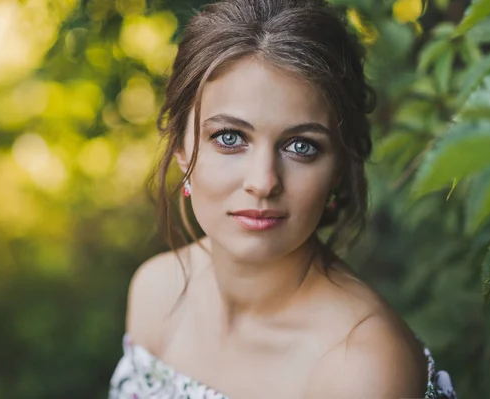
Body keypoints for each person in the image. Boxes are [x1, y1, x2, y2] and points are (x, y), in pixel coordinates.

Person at [109, 0, 458, 398]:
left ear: (339, 169)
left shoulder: (361, 364)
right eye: (230, 138)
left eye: (301, 146)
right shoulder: (156, 291)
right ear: (181, 149)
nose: (263, 182)